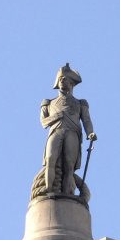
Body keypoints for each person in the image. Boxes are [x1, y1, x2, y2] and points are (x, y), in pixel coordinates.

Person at [41, 63, 97, 194]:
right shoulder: (48, 103)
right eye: (60, 79)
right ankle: (49, 191)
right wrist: (56, 117)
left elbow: (87, 120)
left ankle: (66, 194)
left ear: (71, 83)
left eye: (64, 78)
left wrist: (90, 133)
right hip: (56, 131)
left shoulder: (80, 103)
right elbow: (44, 122)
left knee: (69, 165)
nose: (61, 81)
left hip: (72, 133)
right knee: (50, 159)